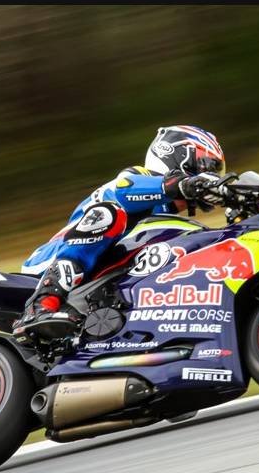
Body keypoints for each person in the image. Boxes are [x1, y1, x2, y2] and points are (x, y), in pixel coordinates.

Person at [12, 125, 227, 341]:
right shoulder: (137, 177)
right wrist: (184, 184)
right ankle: (40, 303)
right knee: (109, 214)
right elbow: (126, 189)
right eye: (207, 166)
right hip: (50, 259)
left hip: (96, 274)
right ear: (178, 155)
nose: (211, 175)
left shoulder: (167, 218)